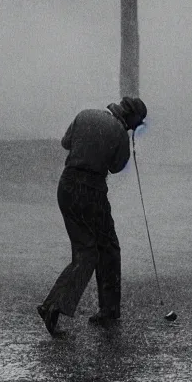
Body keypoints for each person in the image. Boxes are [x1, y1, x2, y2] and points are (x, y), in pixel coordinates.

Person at [37, 96, 147, 337]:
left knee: (83, 249)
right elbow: (116, 167)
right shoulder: (119, 132)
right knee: (106, 248)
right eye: (135, 125)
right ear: (130, 119)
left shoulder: (84, 114)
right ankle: (103, 309)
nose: (132, 129)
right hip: (91, 191)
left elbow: (66, 143)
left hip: (66, 186)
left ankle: (53, 304)